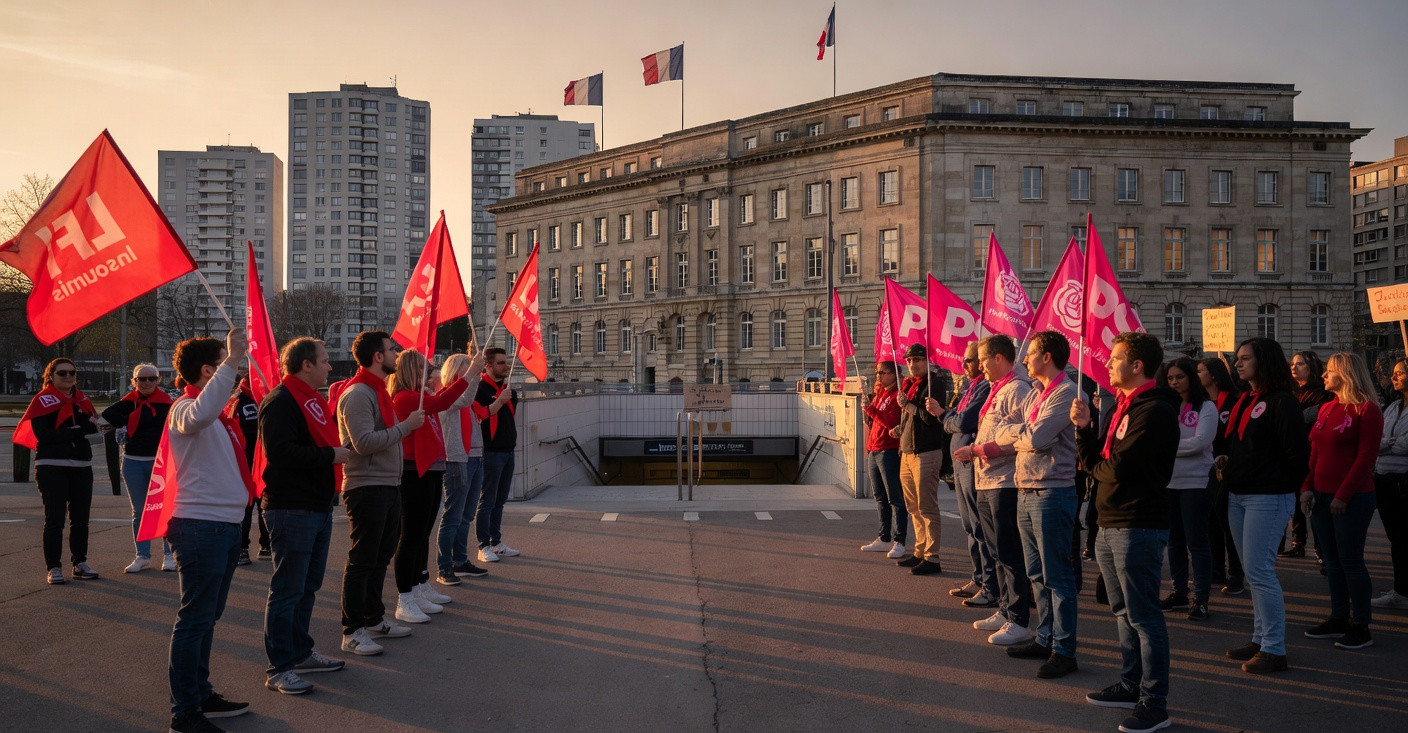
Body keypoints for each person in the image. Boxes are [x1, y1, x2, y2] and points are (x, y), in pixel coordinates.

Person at [1074, 332, 1180, 733]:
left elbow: (1115, 468)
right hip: (1110, 521)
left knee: (1144, 616)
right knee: (1122, 611)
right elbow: (1099, 460)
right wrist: (1085, 429)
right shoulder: (1124, 407)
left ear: (1137, 366)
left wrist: (1096, 467)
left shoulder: (1153, 411)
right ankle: (1130, 682)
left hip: (1137, 524)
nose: (1108, 363)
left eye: (1115, 358)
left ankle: (1155, 703)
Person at [165, 330, 255, 733]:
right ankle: (185, 712)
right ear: (208, 370)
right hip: (201, 526)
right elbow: (197, 415)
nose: (237, 369)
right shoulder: (185, 407)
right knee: (196, 619)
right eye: (224, 361)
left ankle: (200, 694)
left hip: (222, 526)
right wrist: (232, 359)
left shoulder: (216, 413)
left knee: (206, 617)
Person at [259, 338, 353, 694]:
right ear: (305, 365)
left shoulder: (310, 399)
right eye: (325, 361)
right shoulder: (282, 401)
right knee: (287, 590)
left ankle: (299, 652)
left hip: (315, 506)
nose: (331, 367)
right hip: (291, 508)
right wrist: (329, 455)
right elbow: (280, 453)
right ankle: (279, 667)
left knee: (307, 587)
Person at [986, 331, 1081, 678]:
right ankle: (1045, 637)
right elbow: (1008, 432)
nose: (1024, 359)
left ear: (1047, 357)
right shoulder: (1039, 393)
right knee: (1038, 575)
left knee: (1057, 576)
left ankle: (1064, 649)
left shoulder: (1067, 393)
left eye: (1031, 354)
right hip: (1027, 489)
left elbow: (1036, 437)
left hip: (1052, 492)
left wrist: (1018, 433)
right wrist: (1019, 433)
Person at [1216, 337, 1309, 675]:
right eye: (1237, 359)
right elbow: (1242, 444)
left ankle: (1274, 648)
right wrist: (1230, 459)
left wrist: (1281, 484)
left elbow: (1296, 455)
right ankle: (1259, 638)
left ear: (1264, 361)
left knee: (1260, 572)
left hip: (1267, 497)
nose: (1238, 364)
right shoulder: (1247, 398)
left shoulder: (1283, 402)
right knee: (1253, 572)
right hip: (1239, 494)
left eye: (1245, 359)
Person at [336, 331, 423, 657]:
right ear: (377, 356)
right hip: (366, 486)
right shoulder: (359, 394)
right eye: (391, 350)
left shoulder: (377, 391)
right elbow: (364, 443)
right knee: (362, 560)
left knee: (379, 557)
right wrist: (406, 427)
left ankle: (373, 619)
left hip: (387, 484)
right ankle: (352, 631)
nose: (396, 355)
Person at [1300, 352, 1383, 650]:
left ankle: (1361, 625)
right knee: (1332, 562)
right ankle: (1338, 618)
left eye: (1329, 371)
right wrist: (1307, 487)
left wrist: (1342, 495)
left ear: (1346, 373)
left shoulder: (1367, 410)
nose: (1323, 376)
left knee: (1350, 561)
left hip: (1352, 498)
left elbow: (1365, 458)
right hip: (1321, 496)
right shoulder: (1326, 409)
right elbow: (1315, 453)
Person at [956, 334, 1035, 646]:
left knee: (1010, 553)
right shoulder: (998, 388)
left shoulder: (1017, 389)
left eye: (983, 359)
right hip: (987, 480)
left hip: (1006, 482)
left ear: (1000, 358)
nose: (979, 366)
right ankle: (1005, 609)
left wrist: (978, 450)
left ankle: (1019, 618)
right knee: (996, 551)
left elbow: (1022, 435)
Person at [388, 348, 471, 623]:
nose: (429, 374)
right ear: (412, 370)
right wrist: (471, 373)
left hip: (431, 469)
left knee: (421, 533)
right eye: (424, 369)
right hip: (415, 472)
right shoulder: (406, 398)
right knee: (410, 536)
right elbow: (444, 401)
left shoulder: (419, 397)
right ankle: (405, 597)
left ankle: (420, 584)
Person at [17, 358, 101, 584]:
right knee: (54, 519)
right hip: (51, 466)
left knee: (81, 520)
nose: (68, 377)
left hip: (82, 466)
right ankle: (53, 567)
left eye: (72, 372)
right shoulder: (42, 401)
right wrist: (75, 431)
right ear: (51, 376)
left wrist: (78, 430)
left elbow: (92, 428)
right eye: (62, 373)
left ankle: (80, 563)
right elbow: (43, 435)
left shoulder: (82, 400)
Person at [933, 342, 997, 605]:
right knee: (969, 525)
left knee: (979, 526)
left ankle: (990, 583)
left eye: (969, 361)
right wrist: (950, 418)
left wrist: (944, 416)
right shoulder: (969, 387)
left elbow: (962, 421)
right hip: (961, 464)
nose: (965, 365)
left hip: (972, 464)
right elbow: (956, 418)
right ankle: (979, 577)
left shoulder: (984, 386)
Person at [1159, 358, 1218, 621]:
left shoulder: (1206, 406)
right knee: (1174, 541)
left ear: (1191, 378)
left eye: (1179, 377)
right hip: (1169, 482)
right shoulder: (1165, 407)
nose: (1174, 382)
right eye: (1170, 378)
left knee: (1197, 541)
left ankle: (1202, 597)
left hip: (1196, 482)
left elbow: (1200, 442)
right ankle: (1180, 591)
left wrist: (1165, 449)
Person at [101, 363, 174, 574]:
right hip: (133, 462)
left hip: (160, 462)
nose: (147, 382)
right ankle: (142, 555)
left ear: (158, 380)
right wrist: (131, 419)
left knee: (163, 509)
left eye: (152, 378)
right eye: (142, 379)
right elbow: (106, 415)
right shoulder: (129, 403)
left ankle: (169, 555)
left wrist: (135, 420)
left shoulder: (166, 403)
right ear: (134, 382)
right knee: (140, 511)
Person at [435, 351, 491, 585]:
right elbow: (465, 398)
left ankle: (460, 560)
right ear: (457, 372)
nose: (472, 373)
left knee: (466, 515)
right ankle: (444, 567)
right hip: (457, 460)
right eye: (467, 368)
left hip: (474, 458)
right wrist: (474, 374)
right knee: (453, 516)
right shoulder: (446, 397)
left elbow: (470, 403)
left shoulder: (463, 397)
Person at [894, 343, 947, 575]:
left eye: (917, 360)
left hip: (925, 452)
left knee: (927, 507)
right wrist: (900, 429)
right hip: (907, 451)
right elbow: (911, 419)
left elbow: (930, 417)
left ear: (927, 361)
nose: (912, 364)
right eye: (909, 361)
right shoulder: (909, 386)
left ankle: (932, 557)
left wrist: (908, 406)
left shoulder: (934, 383)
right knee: (913, 507)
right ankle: (919, 550)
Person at [1199, 357, 1244, 595]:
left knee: (1228, 524)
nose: (1197, 376)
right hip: (1204, 471)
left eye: (1201, 371)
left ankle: (1236, 573)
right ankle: (1216, 569)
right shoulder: (1200, 403)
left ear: (1214, 375)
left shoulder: (1234, 402)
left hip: (1227, 470)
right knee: (1210, 523)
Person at [475, 347, 522, 563]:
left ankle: (496, 542)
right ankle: (483, 545)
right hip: (491, 452)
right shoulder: (481, 388)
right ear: (489, 365)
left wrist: (506, 396)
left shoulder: (507, 387)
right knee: (487, 501)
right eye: (501, 363)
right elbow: (482, 414)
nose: (506, 366)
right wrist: (500, 399)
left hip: (507, 450)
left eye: (506, 362)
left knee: (500, 500)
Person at [1285, 351, 1333, 561]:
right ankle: (1297, 541)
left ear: (1312, 367)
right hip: (1295, 452)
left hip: (1315, 452)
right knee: (1296, 500)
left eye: (1300, 364)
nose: (1294, 368)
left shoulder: (1324, 392)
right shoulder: (1291, 392)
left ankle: (1322, 550)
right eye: (1292, 364)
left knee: (1313, 502)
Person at [861, 359, 908, 559]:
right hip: (875, 449)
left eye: (883, 372)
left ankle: (900, 540)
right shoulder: (881, 393)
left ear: (894, 375)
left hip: (888, 450)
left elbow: (891, 422)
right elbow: (875, 422)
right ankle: (884, 537)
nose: (879, 376)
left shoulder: (897, 395)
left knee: (895, 497)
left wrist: (871, 410)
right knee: (880, 497)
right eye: (878, 372)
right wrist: (868, 409)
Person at [1372, 358, 1408, 609]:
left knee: (1405, 538)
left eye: (1400, 373)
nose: (1394, 378)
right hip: (1383, 478)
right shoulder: (1393, 406)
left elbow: (1406, 444)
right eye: (1393, 373)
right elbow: (1379, 438)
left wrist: (1389, 444)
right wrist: (1391, 443)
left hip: (1403, 480)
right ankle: (1400, 589)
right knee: (1396, 539)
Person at [231, 376, 268, 565]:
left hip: (244, 463)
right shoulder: (266, 400)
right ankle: (265, 546)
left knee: (247, 508)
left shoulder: (234, 403)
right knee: (264, 505)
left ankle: (243, 549)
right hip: (260, 461)